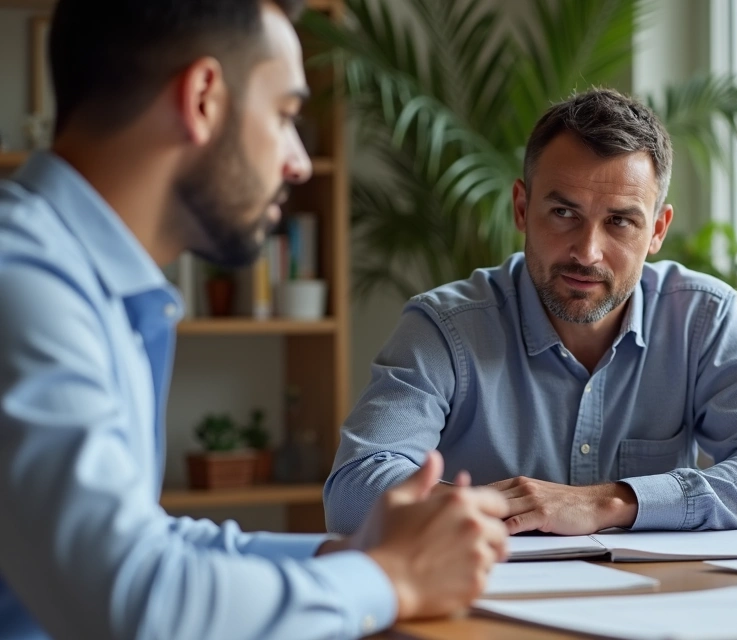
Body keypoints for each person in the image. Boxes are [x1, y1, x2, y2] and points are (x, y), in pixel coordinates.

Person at [0, 2, 508, 638]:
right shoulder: (20, 285)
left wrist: (352, 555)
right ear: (204, 99)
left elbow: (151, 541)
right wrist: (389, 579)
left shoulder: (85, 282)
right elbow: (133, 598)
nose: (297, 162)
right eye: (286, 115)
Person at [325, 88, 737, 536]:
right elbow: (353, 489)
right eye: (564, 213)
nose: (588, 252)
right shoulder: (444, 327)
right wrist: (508, 508)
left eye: (621, 221)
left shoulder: (702, 318)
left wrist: (610, 502)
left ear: (658, 230)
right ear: (522, 207)